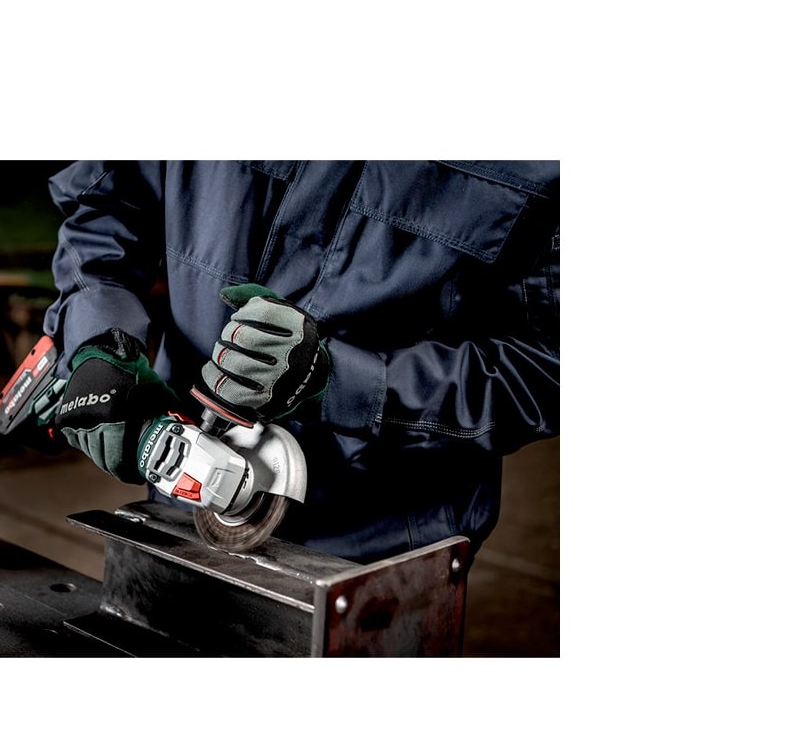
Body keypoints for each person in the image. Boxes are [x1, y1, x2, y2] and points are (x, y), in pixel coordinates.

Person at [42, 161, 559, 563]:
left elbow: (549, 366)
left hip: (383, 544)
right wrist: (98, 338)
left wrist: (346, 384)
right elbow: (105, 205)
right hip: (182, 494)